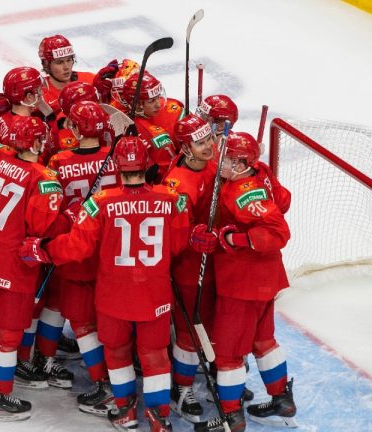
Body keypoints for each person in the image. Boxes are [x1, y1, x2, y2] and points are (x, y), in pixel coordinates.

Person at [20, 135, 191, 432]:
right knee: (155, 357)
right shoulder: (171, 199)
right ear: (146, 163)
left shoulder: (101, 203)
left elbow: (77, 248)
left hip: (115, 294)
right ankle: (158, 419)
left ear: (117, 166)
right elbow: (177, 245)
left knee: (117, 352)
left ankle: (125, 411)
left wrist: (45, 247)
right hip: (154, 293)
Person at [191, 132, 296, 432]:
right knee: (263, 340)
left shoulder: (244, 194)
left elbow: (279, 232)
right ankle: (281, 399)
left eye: (225, 158)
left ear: (239, 164)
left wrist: (233, 237)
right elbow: (284, 199)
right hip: (266, 278)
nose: (218, 160)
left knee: (227, 352)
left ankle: (231, 417)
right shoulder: (260, 172)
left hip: (243, 283)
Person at [0, 115, 62, 421]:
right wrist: (68, 217)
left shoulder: (2, 160)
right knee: (9, 335)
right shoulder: (44, 178)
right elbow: (40, 226)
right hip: (15, 260)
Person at [46, 100, 120, 415]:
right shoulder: (115, 159)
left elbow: (51, 207)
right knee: (111, 321)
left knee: (82, 323)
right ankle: (123, 383)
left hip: (76, 250)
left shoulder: (58, 161)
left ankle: (104, 384)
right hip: (112, 251)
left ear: (74, 129)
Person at [162, 114, 218, 422]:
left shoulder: (209, 162)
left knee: (210, 323)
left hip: (213, 262)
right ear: (185, 149)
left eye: (209, 138)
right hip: (187, 267)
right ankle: (181, 388)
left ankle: (215, 369)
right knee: (188, 331)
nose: (209, 146)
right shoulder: (179, 184)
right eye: (201, 142)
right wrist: (193, 234)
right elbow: (173, 238)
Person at [121, 71, 180, 183]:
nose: (158, 104)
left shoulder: (117, 116)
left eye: (158, 97)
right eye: (152, 101)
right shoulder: (156, 137)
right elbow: (168, 174)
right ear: (137, 104)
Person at [38, 35, 95, 114]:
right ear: (46, 65)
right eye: (59, 62)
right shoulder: (40, 95)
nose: (66, 67)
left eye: (69, 60)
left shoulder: (90, 80)